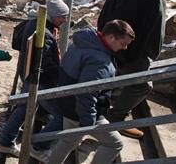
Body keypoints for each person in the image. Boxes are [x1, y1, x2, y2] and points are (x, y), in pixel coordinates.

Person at [97, 0, 176, 139]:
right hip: (132, 48)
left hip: (139, 47)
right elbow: (122, 18)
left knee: (120, 83)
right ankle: (114, 119)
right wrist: (124, 49)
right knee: (142, 86)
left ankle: (107, 116)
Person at [46, 20, 135, 164]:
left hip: (68, 104)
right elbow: (86, 93)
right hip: (81, 111)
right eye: (123, 43)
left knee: (68, 141)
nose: (125, 48)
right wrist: (88, 121)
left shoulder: (85, 41)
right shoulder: (99, 60)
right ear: (111, 37)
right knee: (114, 144)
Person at [0, 0, 68, 157]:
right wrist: (63, 76)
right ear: (53, 15)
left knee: (23, 109)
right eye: (62, 16)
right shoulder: (44, 33)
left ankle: (5, 143)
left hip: (30, 75)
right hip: (40, 81)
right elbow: (45, 62)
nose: (65, 20)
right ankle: (39, 147)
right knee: (62, 117)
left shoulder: (34, 23)